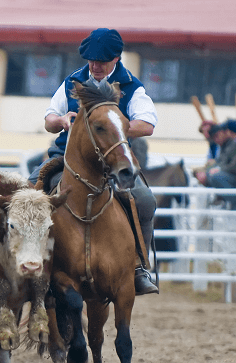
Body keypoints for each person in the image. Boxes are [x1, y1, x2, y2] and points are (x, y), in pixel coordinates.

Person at [28, 28, 159, 295]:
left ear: (117, 58)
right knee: (29, 194)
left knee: (145, 201)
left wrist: (113, 127)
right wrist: (63, 121)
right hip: (67, 160)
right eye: (91, 60)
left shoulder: (132, 86)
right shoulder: (72, 81)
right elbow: (49, 120)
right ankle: (28, 262)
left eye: (102, 61)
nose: (95, 66)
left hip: (112, 164)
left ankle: (139, 267)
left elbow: (146, 125)